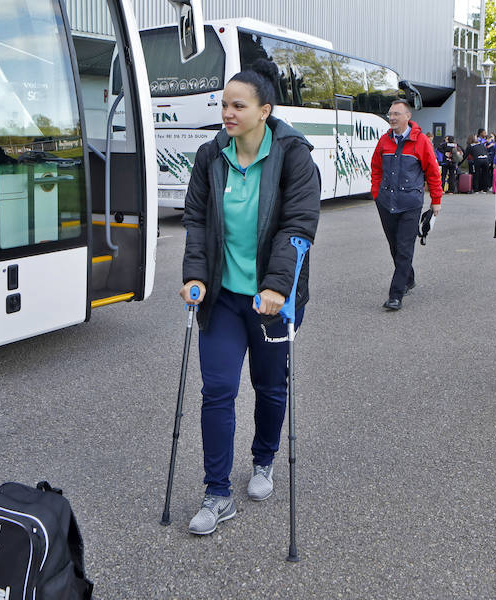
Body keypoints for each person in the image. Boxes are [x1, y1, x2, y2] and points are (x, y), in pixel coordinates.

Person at [180, 67, 321, 535]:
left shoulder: (293, 158)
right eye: (224, 104)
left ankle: (264, 461)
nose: (227, 113)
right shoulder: (210, 156)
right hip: (221, 298)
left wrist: (278, 286)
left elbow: (298, 225)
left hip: (272, 301)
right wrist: (195, 275)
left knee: (269, 386)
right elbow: (197, 221)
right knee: (217, 390)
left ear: (265, 111)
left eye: (238, 105)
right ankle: (217, 492)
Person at [370, 99, 442, 310]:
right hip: (386, 202)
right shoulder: (384, 141)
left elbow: (432, 172)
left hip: (410, 204)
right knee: (395, 247)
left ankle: (396, 295)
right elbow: (375, 168)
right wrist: (376, 193)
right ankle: (408, 277)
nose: (391, 118)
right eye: (390, 114)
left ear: (408, 117)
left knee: (404, 249)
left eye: (396, 114)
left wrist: (436, 200)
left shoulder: (421, 142)